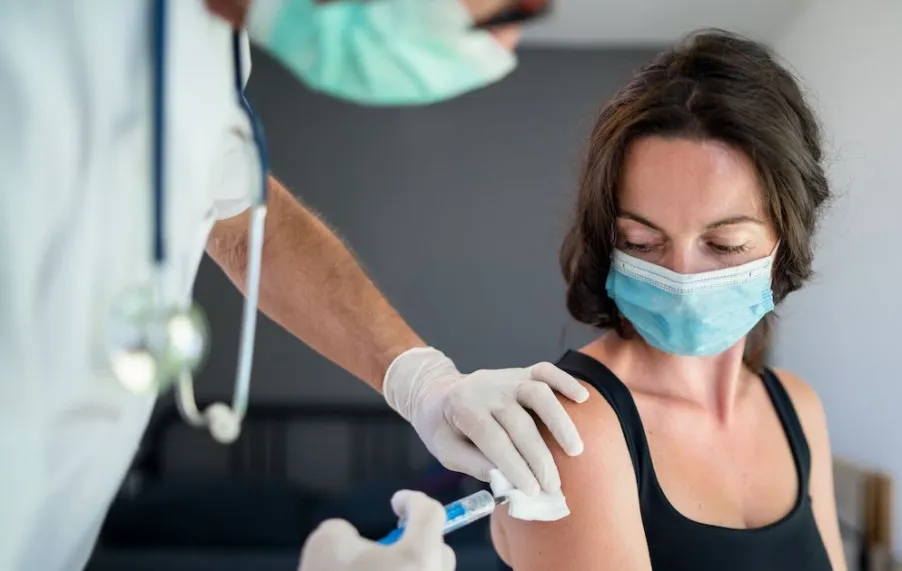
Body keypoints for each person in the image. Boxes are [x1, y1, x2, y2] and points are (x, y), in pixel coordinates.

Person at [0, 1, 586, 571]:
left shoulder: (204, 47)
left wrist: (423, 381)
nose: (502, 49)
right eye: (509, 13)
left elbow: (240, 221)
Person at [491, 29, 849, 571]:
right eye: (642, 242)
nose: (681, 277)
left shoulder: (797, 408)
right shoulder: (572, 429)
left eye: (724, 244)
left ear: (786, 241)